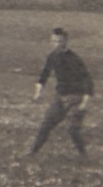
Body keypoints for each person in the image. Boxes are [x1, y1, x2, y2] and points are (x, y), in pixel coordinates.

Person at [30, 27, 94, 157]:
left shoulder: (74, 59)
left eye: (60, 41)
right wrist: (38, 93)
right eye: (54, 41)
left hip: (75, 98)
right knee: (46, 125)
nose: (57, 44)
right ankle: (32, 153)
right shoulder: (52, 57)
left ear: (66, 41)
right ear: (51, 41)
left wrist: (85, 100)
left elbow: (87, 79)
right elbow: (43, 76)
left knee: (73, 130)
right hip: (60, 98)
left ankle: (84, 156)